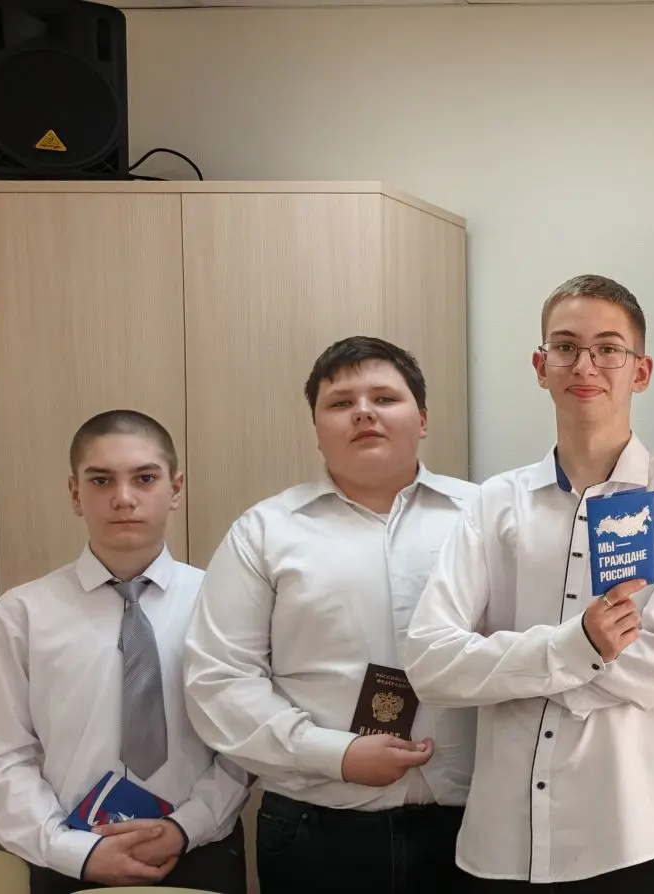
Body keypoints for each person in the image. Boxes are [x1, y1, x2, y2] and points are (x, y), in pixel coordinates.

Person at [403, 274, 654, 892]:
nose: (586, 365)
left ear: (641, 372)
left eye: (609, 348)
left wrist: (505, 666)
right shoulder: (494, 503)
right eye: (566, 346)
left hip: (635, 840)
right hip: (501, 846)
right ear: (540, 366)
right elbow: (431, 663)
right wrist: (574, 647)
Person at [183, 336, 479, 894]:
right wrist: (334, 754)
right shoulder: (264, 532)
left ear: (422, 420)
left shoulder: (483, 517)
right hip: (314, 829)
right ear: (317, 430)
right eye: (341, 403)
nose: (363, 412)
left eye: (384, 398)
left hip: (471, 825)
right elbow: (219, 680)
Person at [0, 410, 249, 894]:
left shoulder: (224, 604)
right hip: (68, 857)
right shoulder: (21, 614)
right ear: (75, 493)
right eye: (101, 480)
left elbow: (244, 744)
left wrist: (185, 828)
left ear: (176, 488)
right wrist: (73, 850)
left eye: (145, 478)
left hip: (201, 850)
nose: (123, 498)